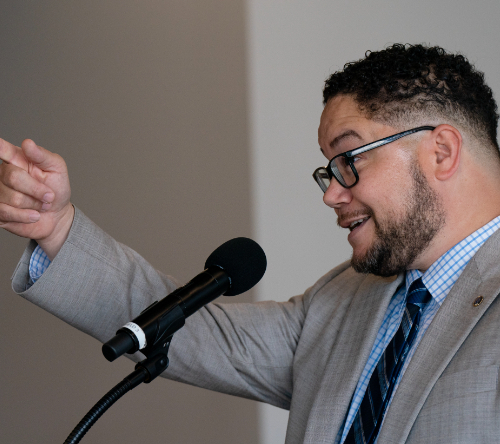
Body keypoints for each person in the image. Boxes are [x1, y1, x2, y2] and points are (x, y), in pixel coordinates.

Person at [2, 44, 500, 444]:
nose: (331, 192)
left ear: (440, 151)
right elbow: (190, 331)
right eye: (327, 170)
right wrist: (57, 228)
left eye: (350, 159)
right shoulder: (342, 299)